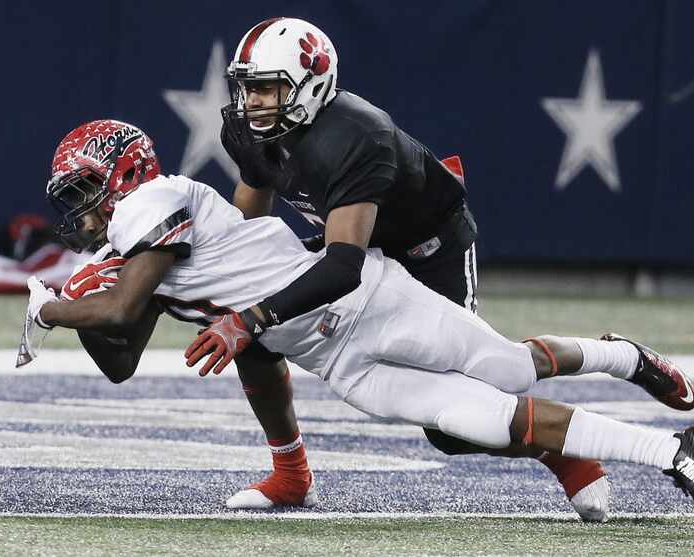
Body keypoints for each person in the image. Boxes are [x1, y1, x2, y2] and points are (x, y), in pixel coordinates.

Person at [29, 118, 694, 534]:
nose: (82, 212)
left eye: (86, 191)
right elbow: (120, 354)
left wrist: (50, 306)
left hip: (366, 299)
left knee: (509, 370)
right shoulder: (133, 248)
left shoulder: (153, 201)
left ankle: (623, 359)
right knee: (480, 420)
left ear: (123, 176)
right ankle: (679, 450)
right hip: (341, 361)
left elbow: (121, 311)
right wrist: (85, 305)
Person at [215, 17, 612, 517]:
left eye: (267, 90)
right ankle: (291, 474)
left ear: (311, 84)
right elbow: (248, 220)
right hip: (354, 247)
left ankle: (571, 433)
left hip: (425, 250)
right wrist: (236, 286)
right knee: (247, 323)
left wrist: (256, 314)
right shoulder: (252, 131)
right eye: (248, 89)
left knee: (456, 422)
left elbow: (343, 266)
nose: (252, 103)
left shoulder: (357, 135)